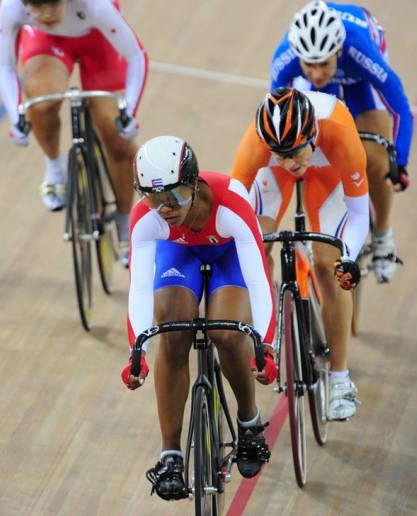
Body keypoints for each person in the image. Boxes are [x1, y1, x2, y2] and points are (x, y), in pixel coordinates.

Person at [120, 135, 278, 500]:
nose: (167, 208)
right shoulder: (147, 218)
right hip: (180, 257)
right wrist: (137, 350)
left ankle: (249, 421)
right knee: (172, 336)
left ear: (194, 183)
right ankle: (171, 454)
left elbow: (257, 279)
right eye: (154, 200)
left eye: (175, 196)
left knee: (227, 333)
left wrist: (265, 345)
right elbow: (140, 288)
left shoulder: (232, 202)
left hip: (230, 257)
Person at [232, 87, 369, 421]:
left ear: (311, 135)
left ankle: (339, 378)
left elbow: (359, 215)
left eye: (293, 152)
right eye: (278, 152)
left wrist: (347, 256)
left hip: (327, 172)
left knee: (327, 265)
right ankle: (268, 324)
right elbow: (235, 206)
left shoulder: (338, 130)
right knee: (257, 243)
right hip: (273, 181)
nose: (288, 161)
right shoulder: (259, 141)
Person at [269, 0, 413, 283]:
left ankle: (383, 236)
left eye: (323, 63)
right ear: (299, 56)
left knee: (377, 158)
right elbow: (275, 115)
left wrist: (401, 161)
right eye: (309, 65)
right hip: (331, 75)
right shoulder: (285, 58)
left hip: (359, 77)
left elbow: (401, 109)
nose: (317, 73)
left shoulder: (359, 49)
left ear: (337, 51)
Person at [0, 0, 148, 266]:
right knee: (41, 104)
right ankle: (55, 168)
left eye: (52, 9)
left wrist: (130, 111)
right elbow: (5, 66)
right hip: (47, 46)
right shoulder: (12, 7)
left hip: (97, 41)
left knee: (118, 141)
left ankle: (125, 222)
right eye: (37, 11)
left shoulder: (95, 6)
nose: (46, 16)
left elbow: (137, 56)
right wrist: (17, 115)